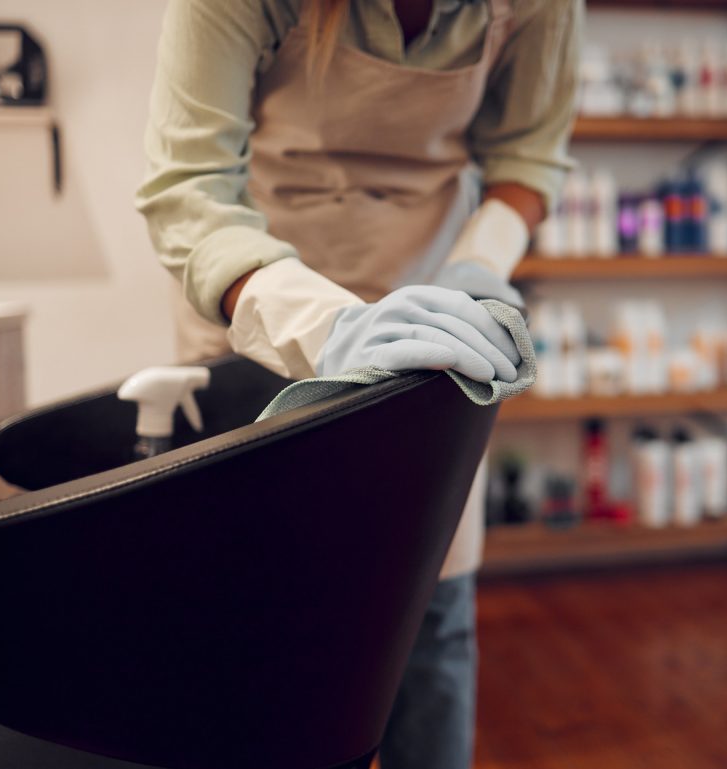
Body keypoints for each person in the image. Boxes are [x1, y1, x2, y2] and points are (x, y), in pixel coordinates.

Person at [134, 0, 580, 766]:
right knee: (257, 630)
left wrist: (476, 270)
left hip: (431, 326)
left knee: (430, 616)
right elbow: (188, 189)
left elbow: (526, 158)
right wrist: (328, 327)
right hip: (264, 312)